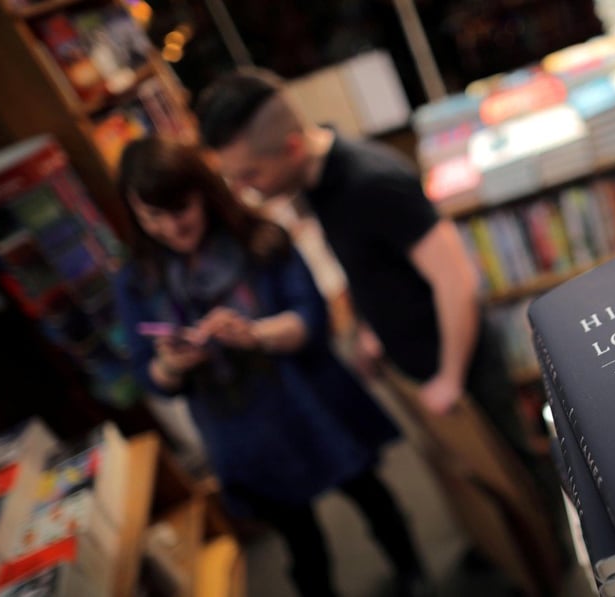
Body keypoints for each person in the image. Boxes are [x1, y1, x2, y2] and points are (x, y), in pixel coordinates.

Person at [193, 69, 546, 490]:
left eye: (250, 175)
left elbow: (456, 281)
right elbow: (371, 265)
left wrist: (450, 379)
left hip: (462, 367)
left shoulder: (372, 182)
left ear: (291, 147)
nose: (244, 191)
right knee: (477, 489)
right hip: (419, 364)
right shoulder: (315, 181)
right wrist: (369, 328)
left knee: (521, 483)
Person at [112, 137, 429, 597]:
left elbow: (313, 320)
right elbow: (151, 379)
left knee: (372, 499)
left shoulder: (259, 237)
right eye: (152, 217)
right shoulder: (138, 281)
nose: (170, 227)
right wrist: (171, 364)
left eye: (179, 210)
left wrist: (256, 334)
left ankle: (413, 572)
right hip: (243, 430)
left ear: (201, 192)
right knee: (301, 543)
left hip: (312, 403)